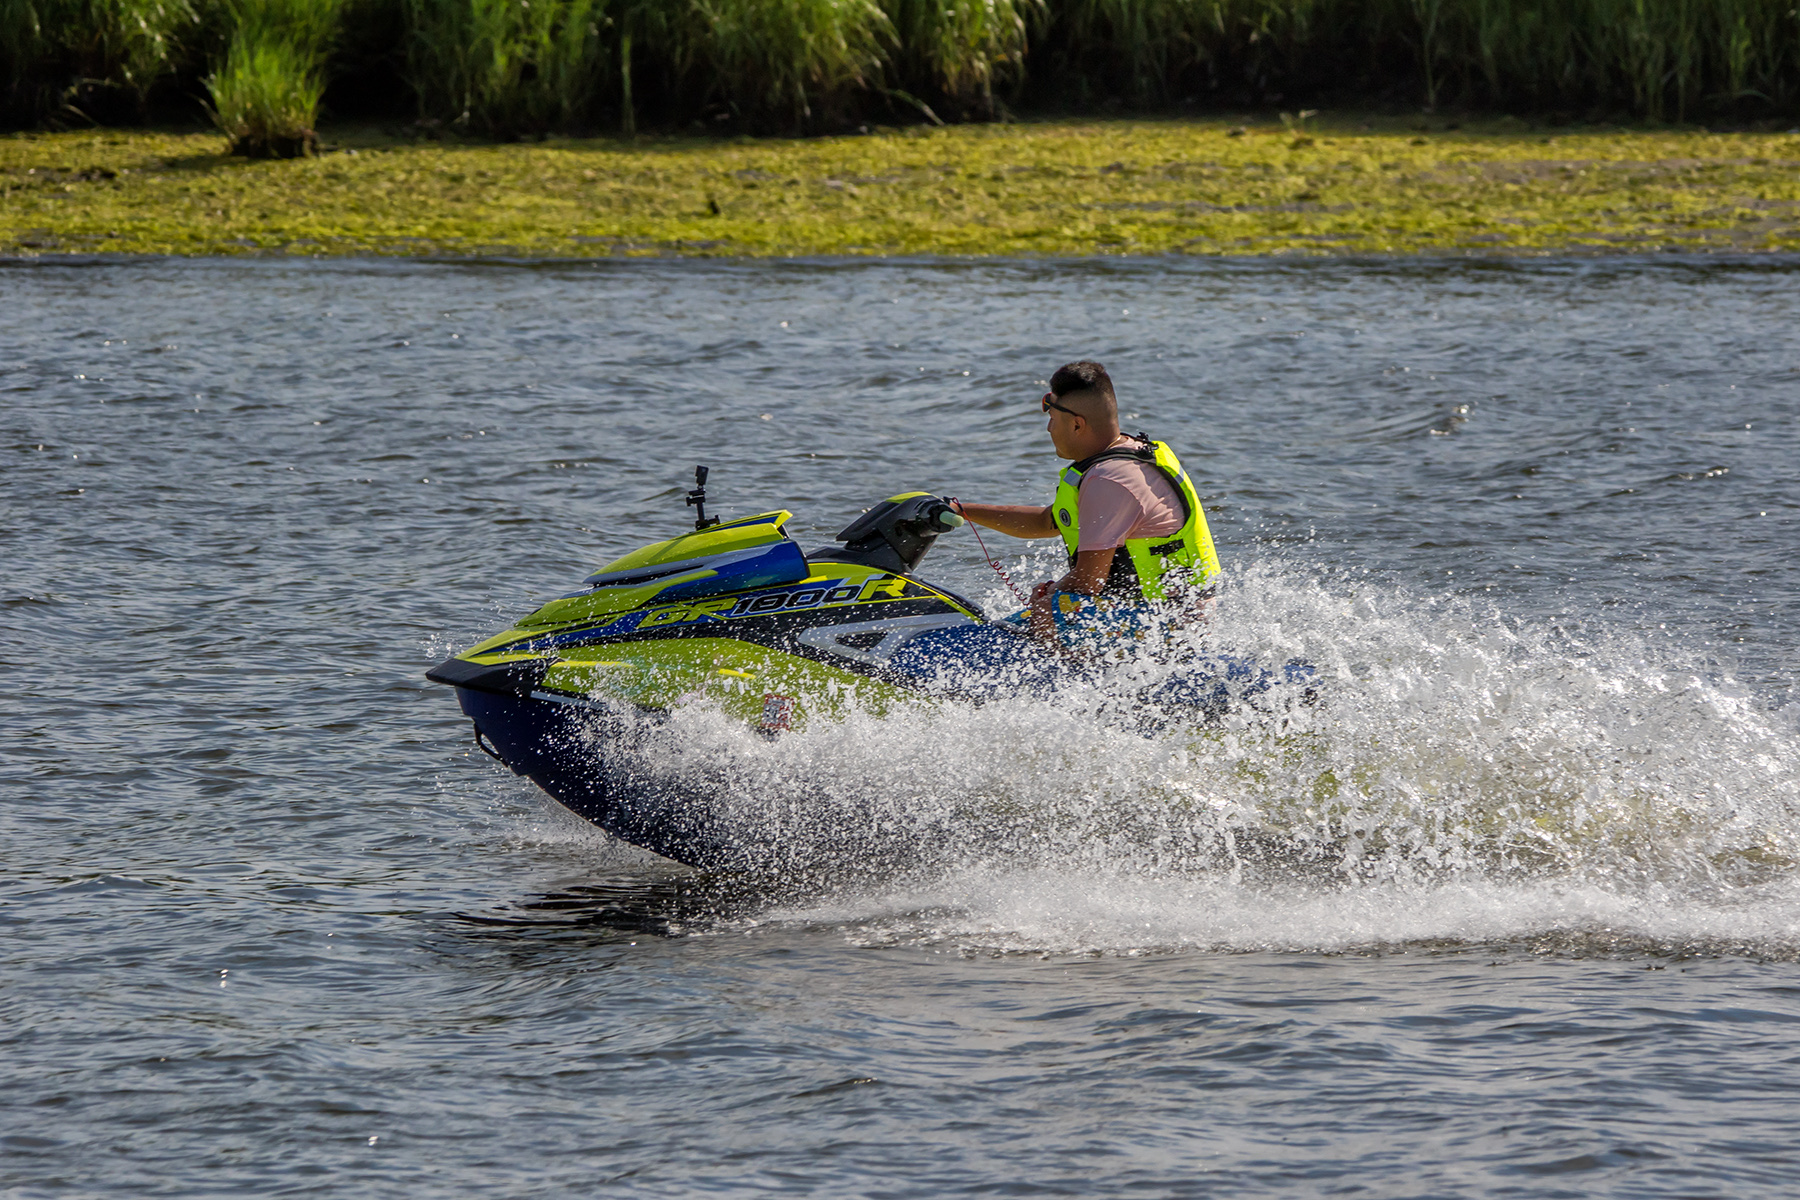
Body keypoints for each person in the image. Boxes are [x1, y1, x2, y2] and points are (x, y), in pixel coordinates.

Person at [948, 361, 1221, 645]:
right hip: (1169, 615)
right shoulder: (1125, 454)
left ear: (1077, 424)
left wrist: (1047, 595)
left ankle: (1061, 683)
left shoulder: (1110, 480)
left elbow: (1089, 582)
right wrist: (964, 511)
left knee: (1048, 608)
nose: (1049, 428)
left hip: (1168, 626)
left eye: (1052, 418)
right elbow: (1046, 522)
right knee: (1029, 616)